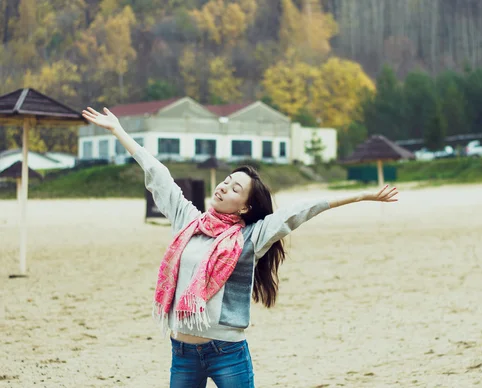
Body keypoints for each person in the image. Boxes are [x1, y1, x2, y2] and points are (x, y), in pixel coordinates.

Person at [82, 107, 399, 388]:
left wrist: (361, 197)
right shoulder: (188, 222)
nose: (224, 186)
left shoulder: (252, 238)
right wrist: (118, 131)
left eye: (236, 188)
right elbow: (158, 175)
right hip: (182, 351)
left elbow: (299, 211)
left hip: (227, 352)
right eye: (226, 181)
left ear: (246, 207)